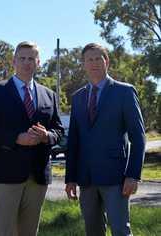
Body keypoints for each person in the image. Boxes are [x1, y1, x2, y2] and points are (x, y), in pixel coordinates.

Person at [0, 41, 64, 236]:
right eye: (22, 58)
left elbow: (58, 130)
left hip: (38, 177)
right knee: (2, 231)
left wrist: (46, 136)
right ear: (14, 61)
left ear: (38, 62)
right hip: (4, 175)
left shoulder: (49, 95)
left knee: (29, 232)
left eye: (31, 59)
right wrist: (16, 138)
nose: (27, 62)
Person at [65, 43, 145, 236]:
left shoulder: (124, 92)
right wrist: (70, 178)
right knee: (92, 231)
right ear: (83, 64)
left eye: (98, 58)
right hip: (86, 178)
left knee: (120, 230)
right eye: (89, 60)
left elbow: (138, 136)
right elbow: (74, 141)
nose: (93, 63)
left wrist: (133, 175)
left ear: (106, 61)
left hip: (116, 178)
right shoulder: (78, 98)